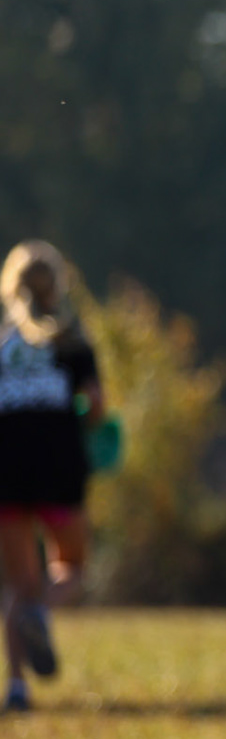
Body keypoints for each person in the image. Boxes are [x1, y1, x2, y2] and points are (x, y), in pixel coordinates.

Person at [0, 241, 105, 713]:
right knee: (73, 567)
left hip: (5, 474)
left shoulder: (1, 346)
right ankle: (42, 611)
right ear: (57, 286)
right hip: (59, 473)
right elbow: (96, 406)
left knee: (18, 585)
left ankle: (17, 689)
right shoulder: (72, 341)